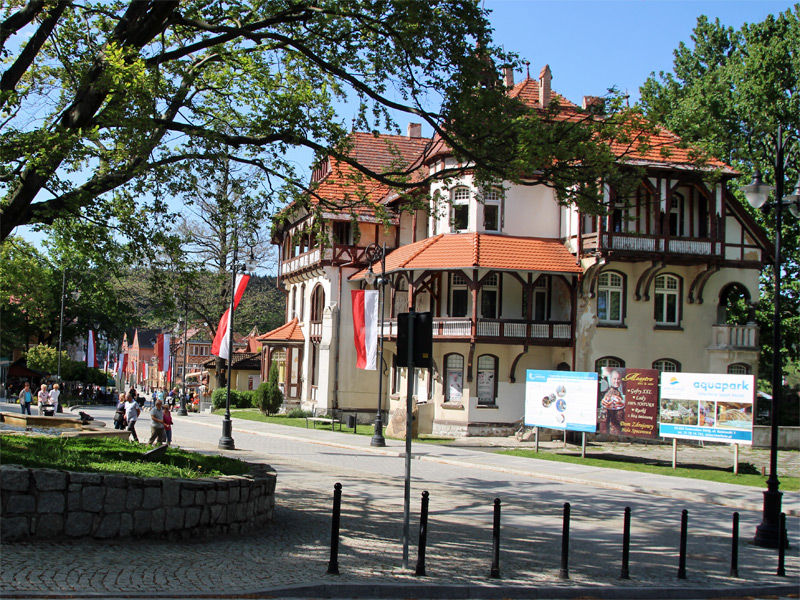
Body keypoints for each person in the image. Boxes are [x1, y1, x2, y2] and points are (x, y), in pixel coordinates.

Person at [600, 370, 625, 435]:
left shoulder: (617, 392)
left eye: (618, 379)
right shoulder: (611, 393)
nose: (616, 381)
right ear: (611, 380)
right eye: (615, 379)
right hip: (613, 428)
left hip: (616, 427)